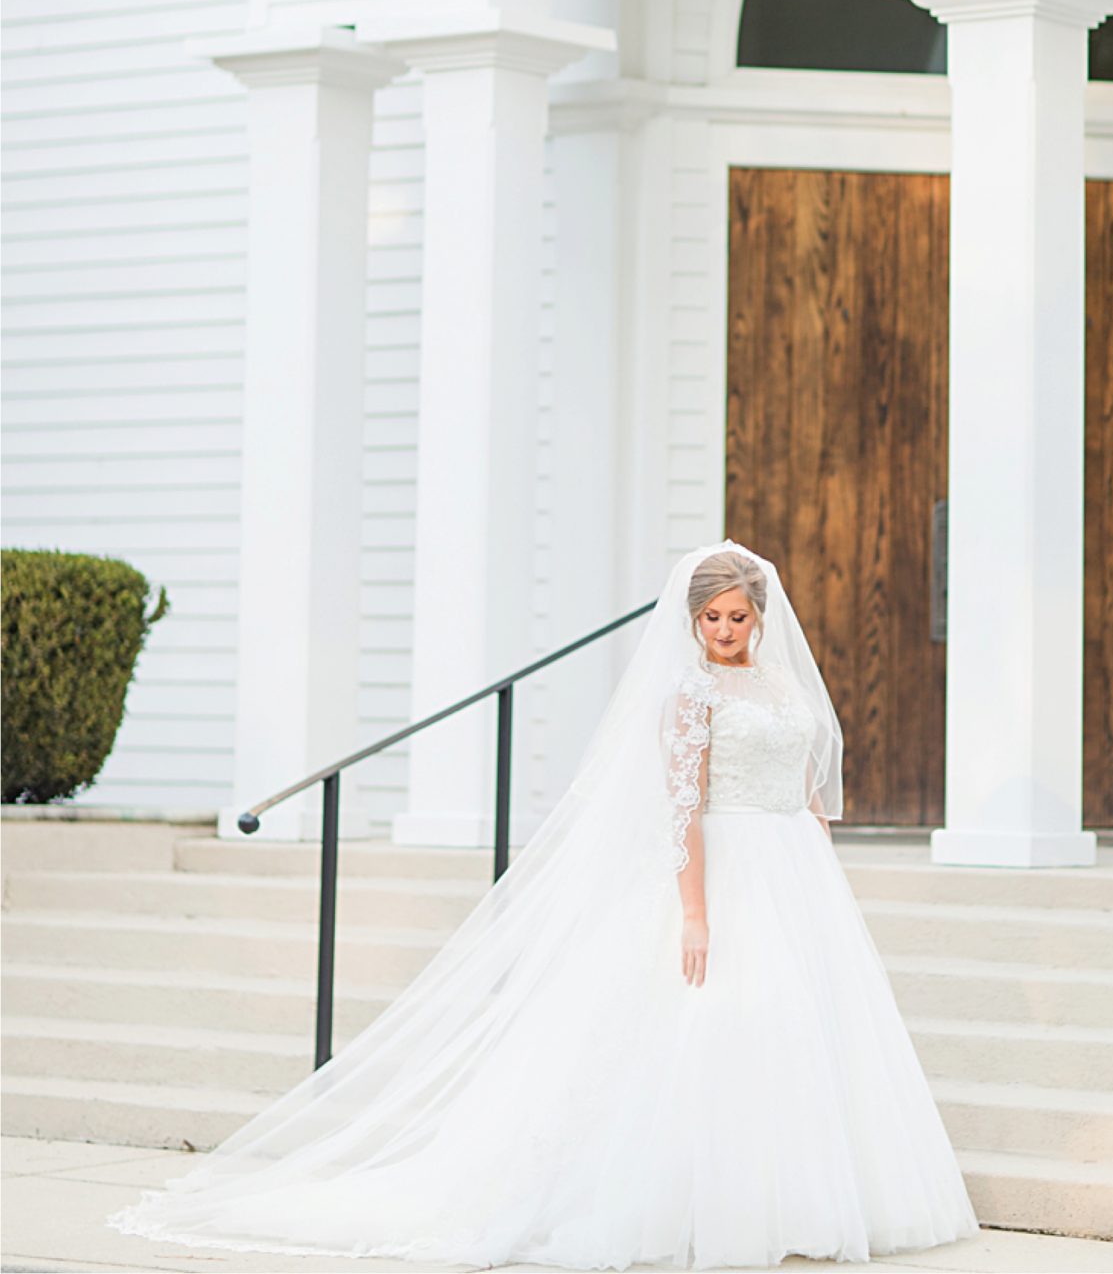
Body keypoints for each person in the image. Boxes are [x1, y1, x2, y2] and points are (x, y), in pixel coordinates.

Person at [109, 540, 982, 1266]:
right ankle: (702, 1201)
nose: (722, 630)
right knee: (715, 1028)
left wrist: (823, 877)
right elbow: (682, 808)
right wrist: (694, 911)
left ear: (760, 616)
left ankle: (799, 1196)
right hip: (720, 863)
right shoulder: (690, 694)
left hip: (793, 869)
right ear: (691, 622)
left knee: (799, 1031)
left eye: (736, 617)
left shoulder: (786, 689)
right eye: (709, 618)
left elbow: (808, 789)